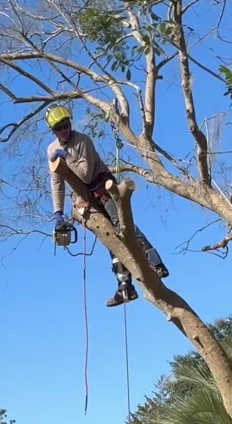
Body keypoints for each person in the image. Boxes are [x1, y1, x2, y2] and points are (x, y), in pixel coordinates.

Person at [45, 106, 171, 308]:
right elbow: (57, 181)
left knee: (124, 228)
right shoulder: (51, 149)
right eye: (59, 129)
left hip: (103, 187)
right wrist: (58, 212)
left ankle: (156, 264)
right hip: (86, 197)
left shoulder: (82, 140)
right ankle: (125, 287)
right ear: (54, 131)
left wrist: (66, 157)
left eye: (66, 126)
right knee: (111, 239)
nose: (64, 131)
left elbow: (85, 174)